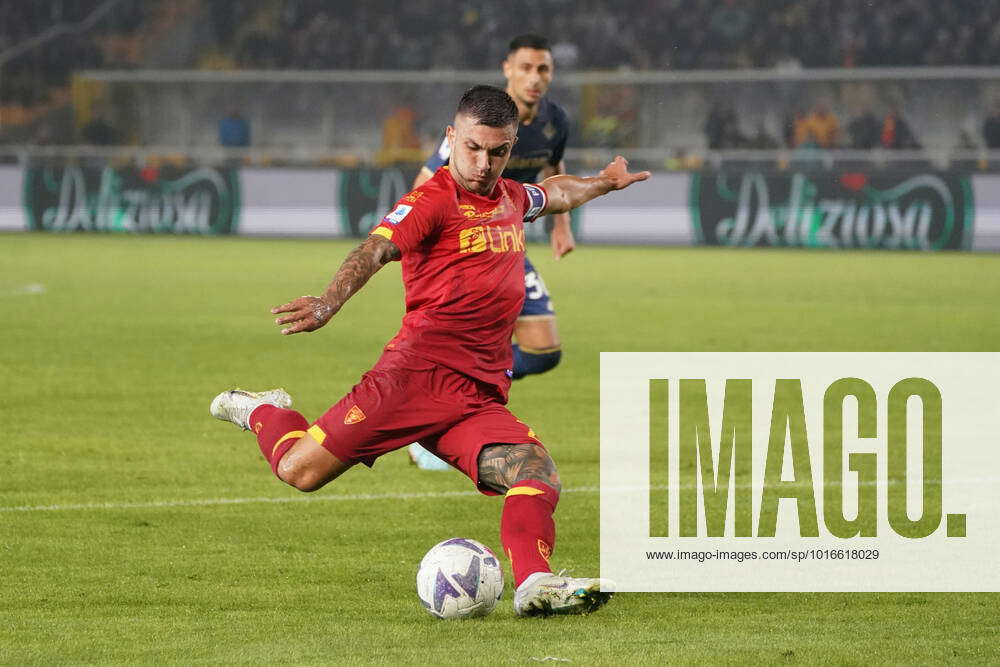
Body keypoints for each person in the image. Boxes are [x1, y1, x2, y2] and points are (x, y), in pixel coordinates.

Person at [210, 85, 649, 617]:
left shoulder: (510, 198)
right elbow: (375, 248)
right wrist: (329, 301)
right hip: (412, 380)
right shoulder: (433, 200)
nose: (483, 164)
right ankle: (263, 410)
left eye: (497, 152)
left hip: (476, 395)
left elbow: (554, 193)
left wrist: (604, 183)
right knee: (299, 472)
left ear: (510, 148)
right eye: (472, 148)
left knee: (535, 471)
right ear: (451, 138)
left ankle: (535, 583)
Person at [409, 34, 572, 470]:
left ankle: (453, 397)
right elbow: (424, 182)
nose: (534, 78)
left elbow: (554, 169)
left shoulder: (555, 121)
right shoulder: (481, 120)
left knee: (544, 351)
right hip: (462, 251)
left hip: (507, 246)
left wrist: (561, 225)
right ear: (507, 70)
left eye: (543, 69)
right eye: (525, 68)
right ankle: (439, 424)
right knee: (457, 348)